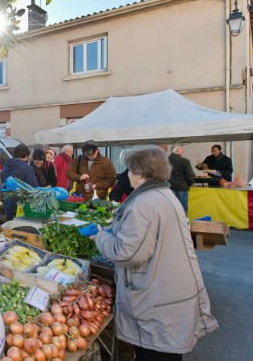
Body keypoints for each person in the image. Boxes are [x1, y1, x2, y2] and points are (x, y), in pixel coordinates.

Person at [91, 147, 217, 361]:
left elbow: (126, 254)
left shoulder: (144, 203)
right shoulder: (163, 194)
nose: (127, 174)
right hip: (170, 293)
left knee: (154, 353)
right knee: (166, 353)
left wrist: (99, 236)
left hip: (158, 301)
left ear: (139, 172)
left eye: (129, 170)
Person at [1, 144, 39, 220]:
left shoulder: (5, 168)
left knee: (10, 230)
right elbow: (33, 188)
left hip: (8, 206)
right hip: (23, 208)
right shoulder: (27, 168)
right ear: (26, 156)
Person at [169, 145, 195, 214]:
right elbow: (190, 175)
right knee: (182, 208)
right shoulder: (184, 161)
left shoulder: (164, 160)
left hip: (169, 187)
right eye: (181, 150)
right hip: (182, 187)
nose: (183, 152)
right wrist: (189, 184)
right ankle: (183, 223)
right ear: (177, 151)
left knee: (170, 207)